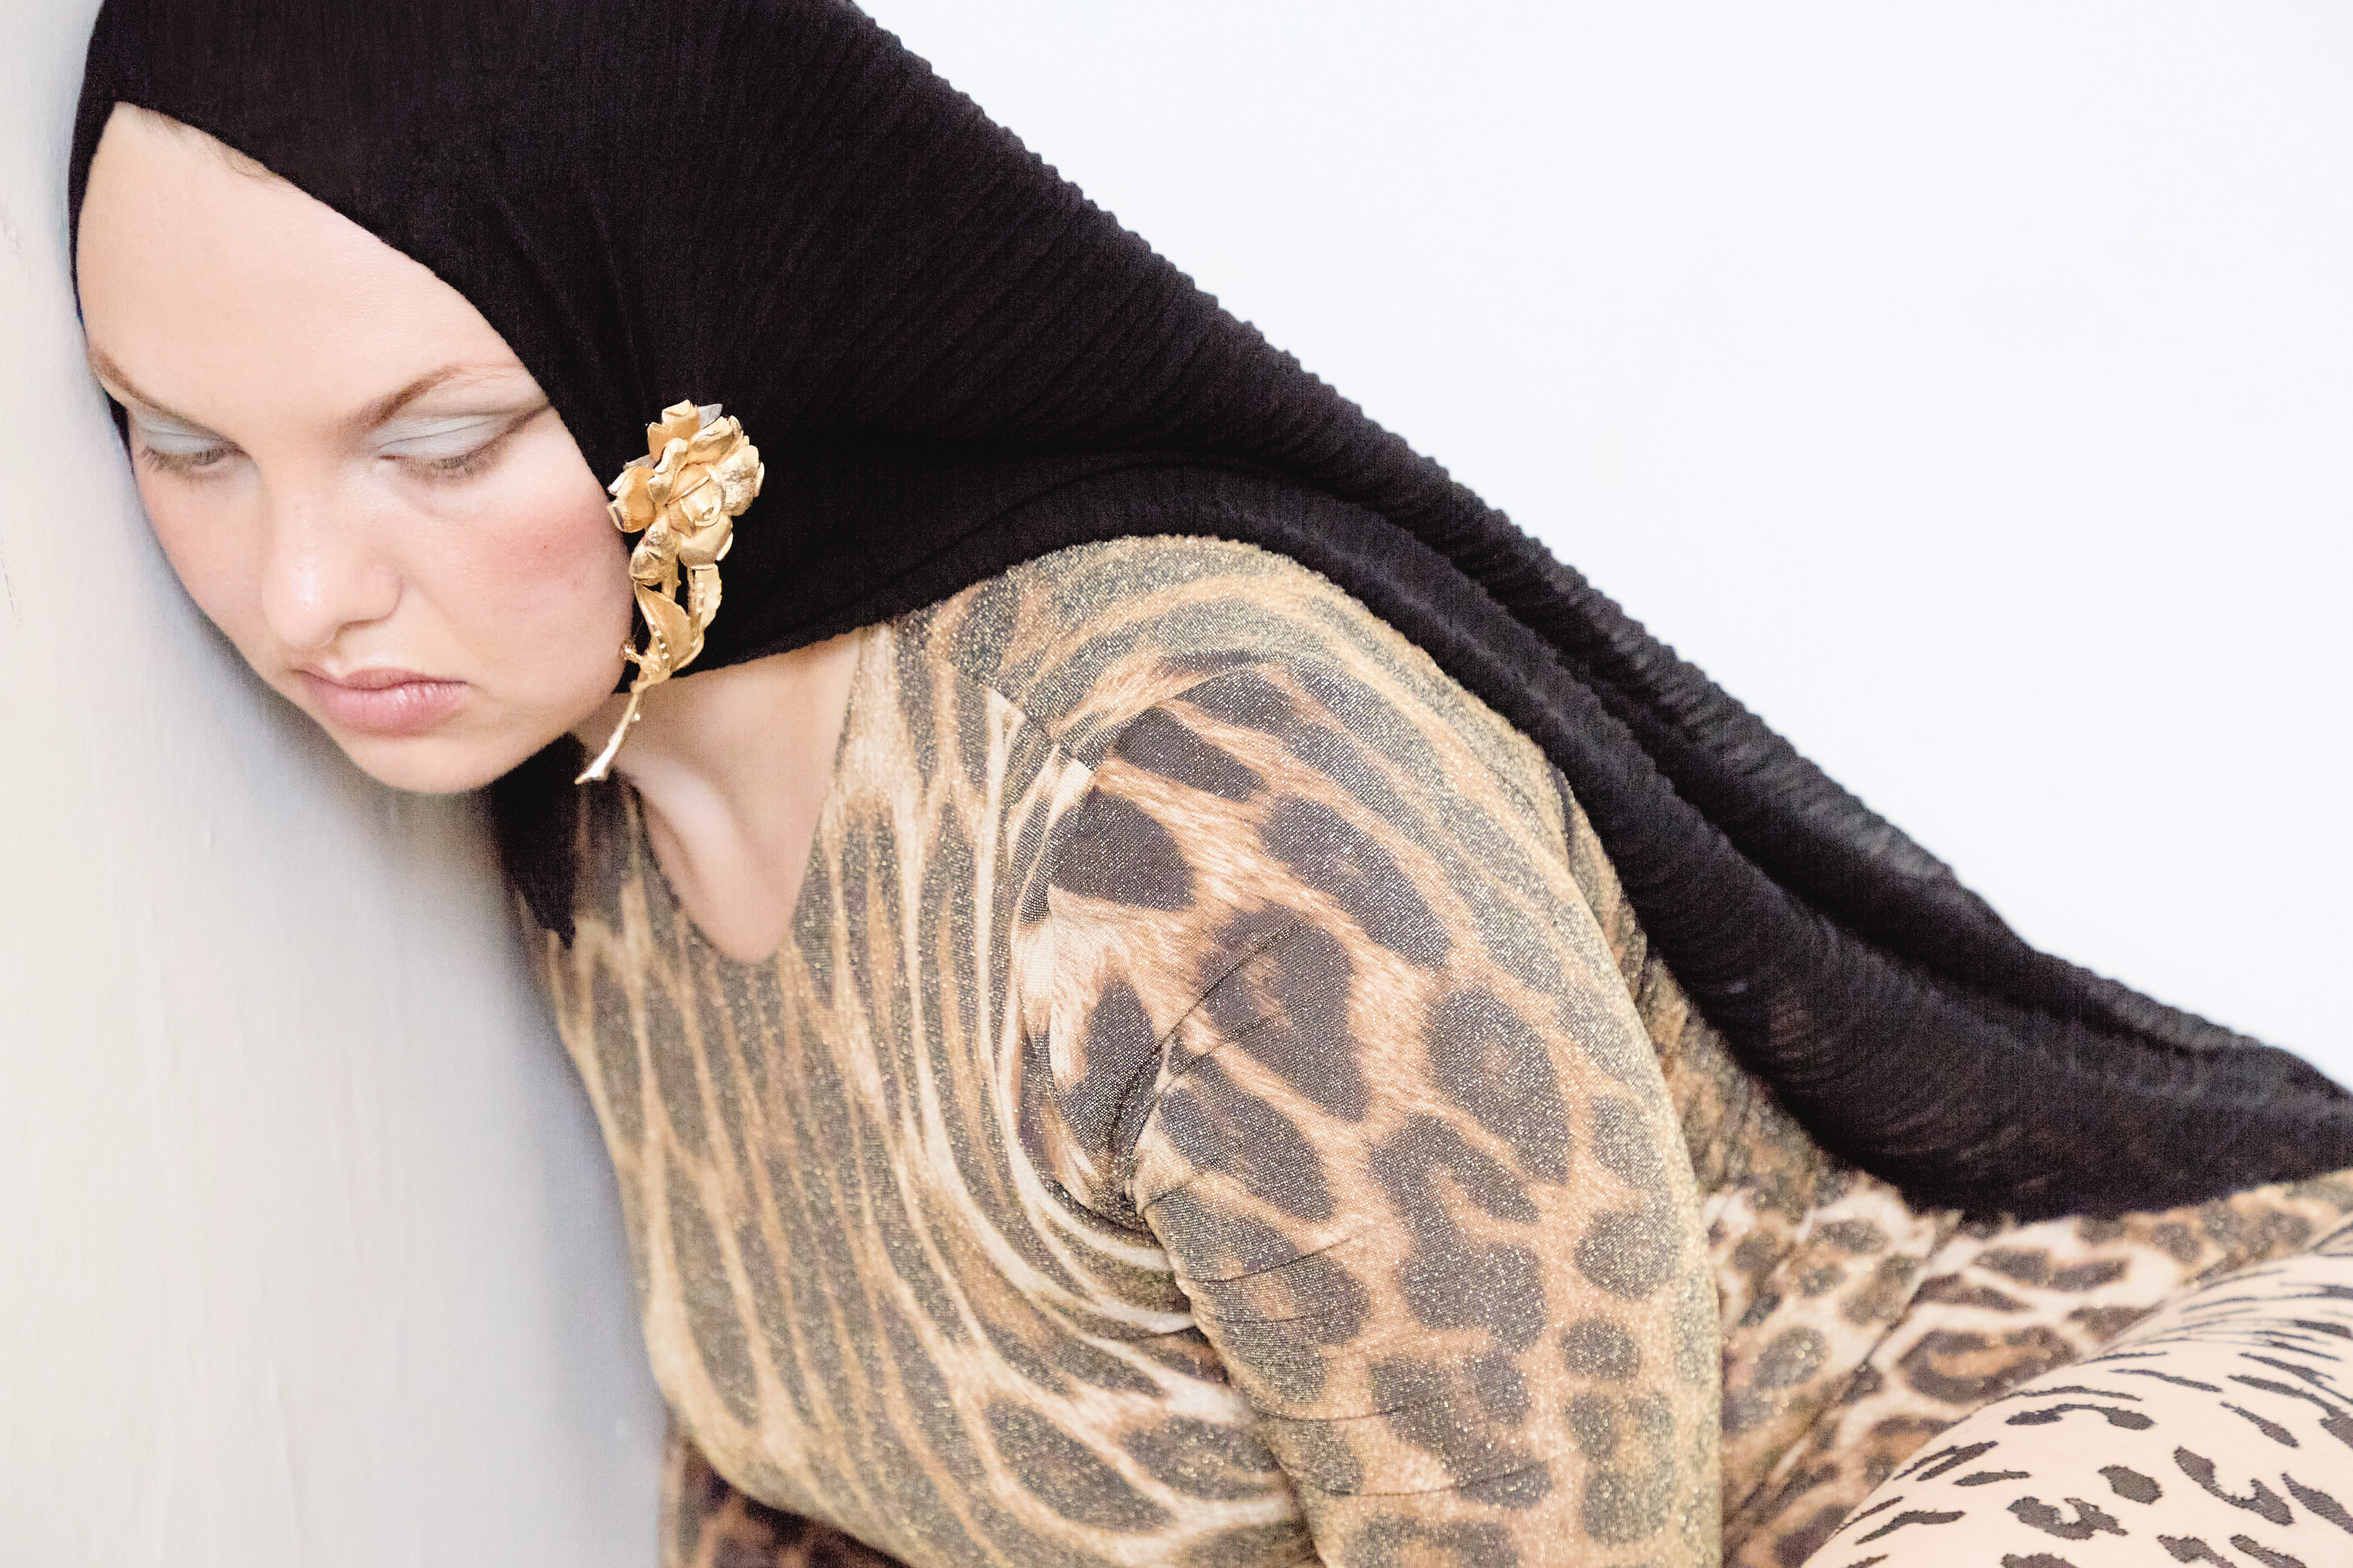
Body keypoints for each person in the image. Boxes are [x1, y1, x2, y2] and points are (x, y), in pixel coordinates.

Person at [65, 3, 2353, 1564]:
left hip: (2071, 1444)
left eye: (444, 440)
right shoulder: (594, 835)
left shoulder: (1185, 791)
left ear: (689, 344)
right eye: (180, 442)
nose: (304, 590)